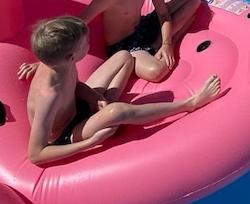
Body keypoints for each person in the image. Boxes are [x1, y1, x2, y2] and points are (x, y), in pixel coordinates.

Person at [22, 15, 221, 165]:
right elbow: (36, 154)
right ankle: (190, 103)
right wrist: (90, 143)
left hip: (77, 106)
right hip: (68, 133)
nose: (89, 45)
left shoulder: (59, 63)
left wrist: (94, 97)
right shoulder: (49, 95)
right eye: (86, 44)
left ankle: (106, 112)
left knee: (124, 56)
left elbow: (73, 85)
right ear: (71, 58)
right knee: (116, 111)